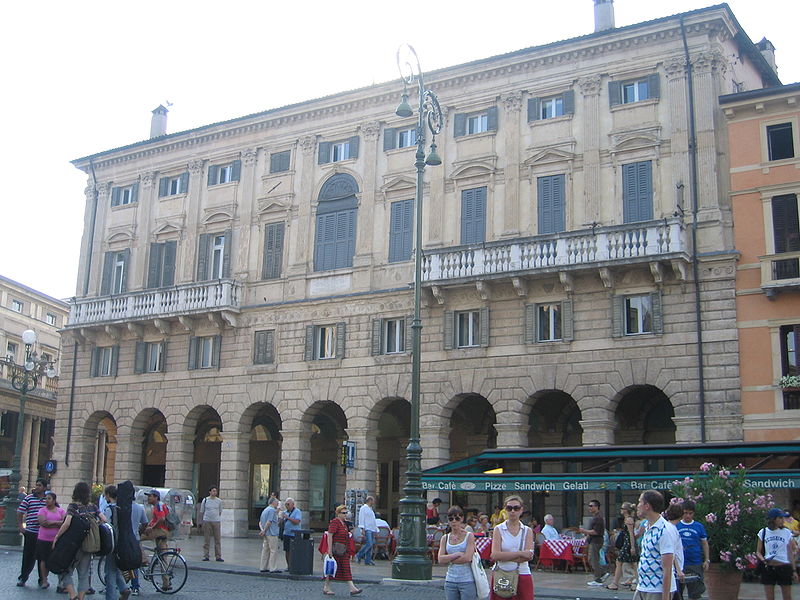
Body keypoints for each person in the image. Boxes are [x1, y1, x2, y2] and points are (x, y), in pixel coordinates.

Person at [52, 481, 100, 600]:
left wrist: (57, 536)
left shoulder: (73, 506)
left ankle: (72, 596)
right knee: (84, 574)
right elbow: (103, 520)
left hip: (75, 544)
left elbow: (67, 523)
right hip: (89, 545)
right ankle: (81, 597)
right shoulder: (93, 507)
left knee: (65, 570)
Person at [490, 494, 534, 600]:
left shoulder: (527, 531)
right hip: (502, 574)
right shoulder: (498, 529)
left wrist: (504, 556)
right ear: (505, 510)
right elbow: (495, 555)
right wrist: (519, 553)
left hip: (522, 574)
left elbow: (529, 556)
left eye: (516, 508)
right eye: (509, 508)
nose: (513, 511)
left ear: (521, 510)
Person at [635, 490, 677, 600]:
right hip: (643, 587)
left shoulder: (664, 531)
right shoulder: (648, 527)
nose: (637, 505)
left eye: (640, 502)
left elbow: (667, 568)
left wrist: (665, 597)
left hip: (657, 590)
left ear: (647, 506)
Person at [756, 508, 798, 600]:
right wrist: (763, 560)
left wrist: (794, 569)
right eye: (780, 518)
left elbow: (793, 550)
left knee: (787, 596)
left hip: (783, 566)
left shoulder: (786, 532)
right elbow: (758, 551)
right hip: (769, 567)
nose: (783, 521)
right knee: (770, 597)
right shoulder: (763, 532)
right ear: (773, 519)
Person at [322, 505, 362, 596]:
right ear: (338, 513)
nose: (345, 515)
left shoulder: (344, 523)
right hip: (337, 550)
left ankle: (352, 587)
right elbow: (330, 535)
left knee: (345, 568)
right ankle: (327, 587)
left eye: (346, 513)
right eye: (343, 513)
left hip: (343, 550)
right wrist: (329, 550)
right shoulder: (335, 522)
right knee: (332, 569)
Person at [439, 506, 477, 600]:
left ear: (462, 519)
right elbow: (440, 559)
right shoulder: (445, 538)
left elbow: (468, 558)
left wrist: (448, 559)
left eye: (457, 518)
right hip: (450, 580)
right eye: (451, 519)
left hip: (467, 580)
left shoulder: (469, 536)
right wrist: (456, 555)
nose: (454, 521)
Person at [101, 485, 131, 600]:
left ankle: (111, 597)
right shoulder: (122, 508)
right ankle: (124, 588)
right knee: (115, 568)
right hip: (122, 542)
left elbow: (106, 525)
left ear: (108, 495)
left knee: (109, 572)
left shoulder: (110, 509)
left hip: (112, 543)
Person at [676, 499, 709, 600]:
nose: (687, 516)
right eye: (685, 513)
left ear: (693, 513)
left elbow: (704, 543)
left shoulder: (699, 526)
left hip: (695, 562)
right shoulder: (676, 525)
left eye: (690, 513)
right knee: (677, 593)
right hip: (679, 563)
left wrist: (707, 559)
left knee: (695, 592)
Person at [17, 477, 47, 587]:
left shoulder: (48, 499)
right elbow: (20, 512)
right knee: (28, 556)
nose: (37, 487)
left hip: (43, 533)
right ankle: (23, 577)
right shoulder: (28, 498)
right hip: (31, 532)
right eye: (37, 485)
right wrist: (21, 526)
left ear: (44, 487)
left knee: (42, 557)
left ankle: (42, 579)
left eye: (39, 485)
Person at [36, 490, 65, 589]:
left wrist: (50, 522)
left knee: (58, 560)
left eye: (49, 498)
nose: (46, 500)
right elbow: (43, 522)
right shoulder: (42, 510)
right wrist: (57, 523)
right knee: (43, 560)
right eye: (45, 499)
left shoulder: (60, 511)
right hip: (43, 539)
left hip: (57, 539)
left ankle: (60, 582)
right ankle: (44, 580)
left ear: (54, 500)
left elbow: (64, 523)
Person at [606, 502, 637, 591]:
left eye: (622, 508)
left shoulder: (629, 520)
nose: (621, 510)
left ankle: (616, 583)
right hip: (627, 544)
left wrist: (632, 547)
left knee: (632, 564)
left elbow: (631, 533)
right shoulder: (627, 519)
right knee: (623, 562)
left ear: (626, 510)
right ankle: (616, 583)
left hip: (628, 544)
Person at [580, 498, 607, 586]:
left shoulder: (598, 518)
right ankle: (602, 573)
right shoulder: (595, 517)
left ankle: (598, 579)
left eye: (591, 506)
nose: (589, 508)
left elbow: (596, 531)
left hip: (596, 541)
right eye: (589, 506)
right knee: (591, 559)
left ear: (597, 507)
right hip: (593, 541)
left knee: (593, 560)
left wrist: (584, 531)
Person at [664, 502, 685, 599]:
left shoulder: (670, 528)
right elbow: (671, 552)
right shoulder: (671, 529)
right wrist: (679, 570)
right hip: (675, 571)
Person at [129, 495, 149, 596]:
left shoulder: (124, 507)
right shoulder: (140, 508)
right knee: (135, 563)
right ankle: (135, 586)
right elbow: (145, 522)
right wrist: (140, 532)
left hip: (125, 539)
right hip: (136, 538)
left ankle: (118, 585)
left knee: (119, 562)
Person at [199, 485, 224, 562]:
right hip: (207, 521)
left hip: (216, 521)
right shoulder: (205, 500)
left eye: (215, 491)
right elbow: (202, 511)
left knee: (217, 539)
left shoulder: (219, 501)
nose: (214, 492)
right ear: (209, 492)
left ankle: (218, 556)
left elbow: (220, 511)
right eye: (213, 491)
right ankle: (206, 555)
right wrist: (201, 522)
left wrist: (216, 517)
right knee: (207, 539)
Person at [259, 496, 282, 573]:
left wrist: (263, 531)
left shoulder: (265, 510)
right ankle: (273, 568)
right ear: (273, 502)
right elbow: (269, 522)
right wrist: (264, 530)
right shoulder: (272, 510)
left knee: (265, 550)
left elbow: (261, 522)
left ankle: (263, 567)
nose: (277, 504)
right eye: (277, 502)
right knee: (273, 550)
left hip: (266, 533)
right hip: (272, 533)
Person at [356, 495, 378, 565]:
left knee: (371, 545)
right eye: (373, 501)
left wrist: (375, 530)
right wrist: (362, 528)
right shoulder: (363, 508)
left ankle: (368, 560)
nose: (374, 502)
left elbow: (373, 520)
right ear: (370, 501)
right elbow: (361, 518)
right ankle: (359, 554)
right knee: (369, 543)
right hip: (367, 528)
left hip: (371, 529)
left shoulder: (371, 509)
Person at [281, 498, 302, 569]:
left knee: (295, 551)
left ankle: (295, 565)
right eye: (285, 504)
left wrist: (288, 518)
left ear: (293, 504)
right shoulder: (285, 512)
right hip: (286, 534)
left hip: (294, 534)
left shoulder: (297, 511)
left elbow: (297, 521)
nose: (286, 506)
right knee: (287, 550)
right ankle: (289, 566)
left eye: (288, 504)